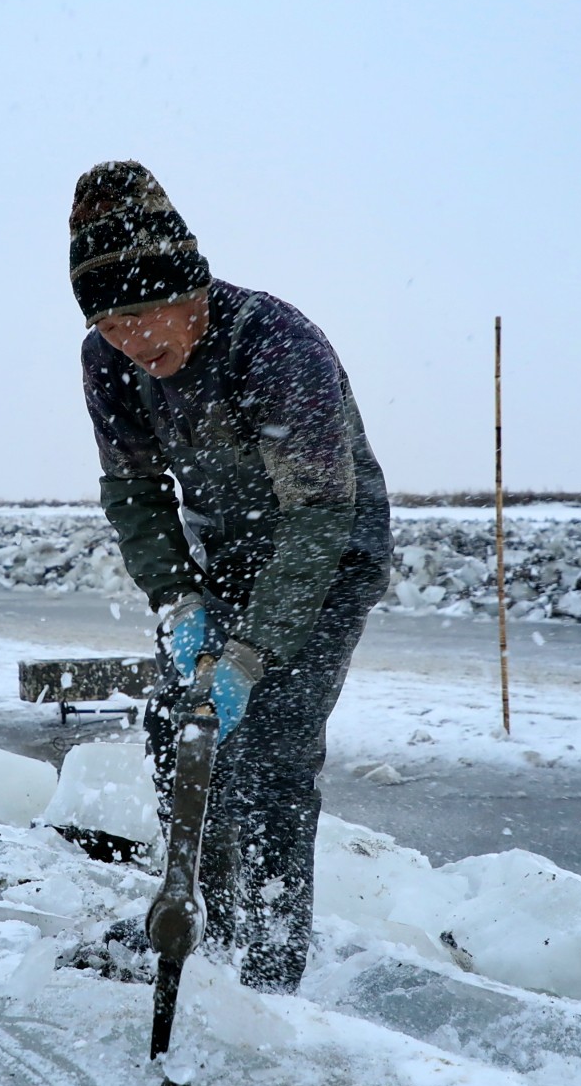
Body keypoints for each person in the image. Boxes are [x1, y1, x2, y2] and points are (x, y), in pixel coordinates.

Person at [73, 160, 391, 993]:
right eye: (111, 324)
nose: (135, 342)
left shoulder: (273, 343)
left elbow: (319, 515)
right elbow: (134, 491)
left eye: (144, 316)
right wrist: (178, 596)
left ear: (194, 288)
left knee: (272, 749)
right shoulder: (107, 365)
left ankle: (271, 965)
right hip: (225, 553)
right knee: (179, 727)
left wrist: (254, 650)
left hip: (327, 550)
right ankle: (197, 918)